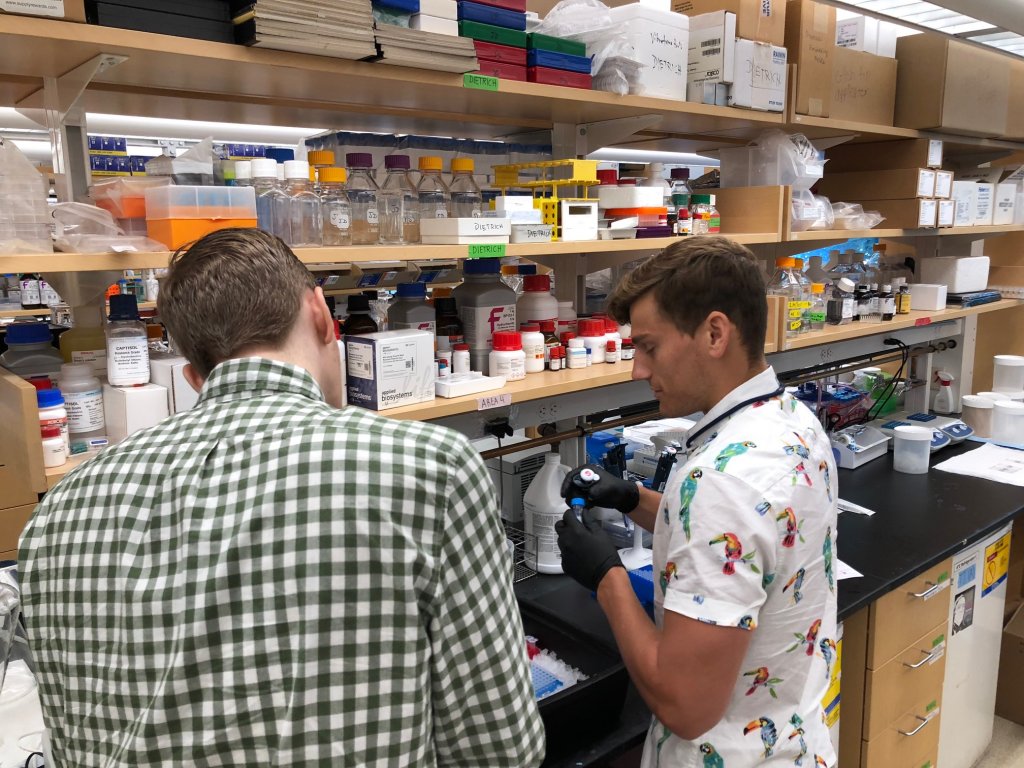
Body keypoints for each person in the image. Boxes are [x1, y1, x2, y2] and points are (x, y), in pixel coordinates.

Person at [19, 228, 545, 767]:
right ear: (322, 314)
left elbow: (69, 743)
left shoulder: (58, 513)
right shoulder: (430, 468)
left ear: (194, 377)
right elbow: (499, 748)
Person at [556, 236, 838, 767]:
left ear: (714, 333)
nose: (637, 369)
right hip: (794, 743)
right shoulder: (787, 418)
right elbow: (746, 538)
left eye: (649, 346)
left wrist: (606, 577)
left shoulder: (723, 480)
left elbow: (685, 705)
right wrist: (635, 498)